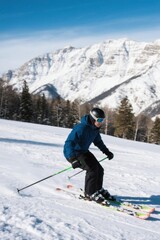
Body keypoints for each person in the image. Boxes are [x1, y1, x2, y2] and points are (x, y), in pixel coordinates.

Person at [63, 108, 115, 203]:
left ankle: (98, 189)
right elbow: (69, 143)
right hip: (74, 153)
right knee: (92, 169)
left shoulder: (94, 129)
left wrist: (107, 152)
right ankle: (89, 193)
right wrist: (72, 159)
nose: (101, 122)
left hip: (84, 151)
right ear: (93, 118)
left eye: (102, 120)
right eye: (99, 120)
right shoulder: (81, 128)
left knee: (99, 169)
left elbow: (98, 142)